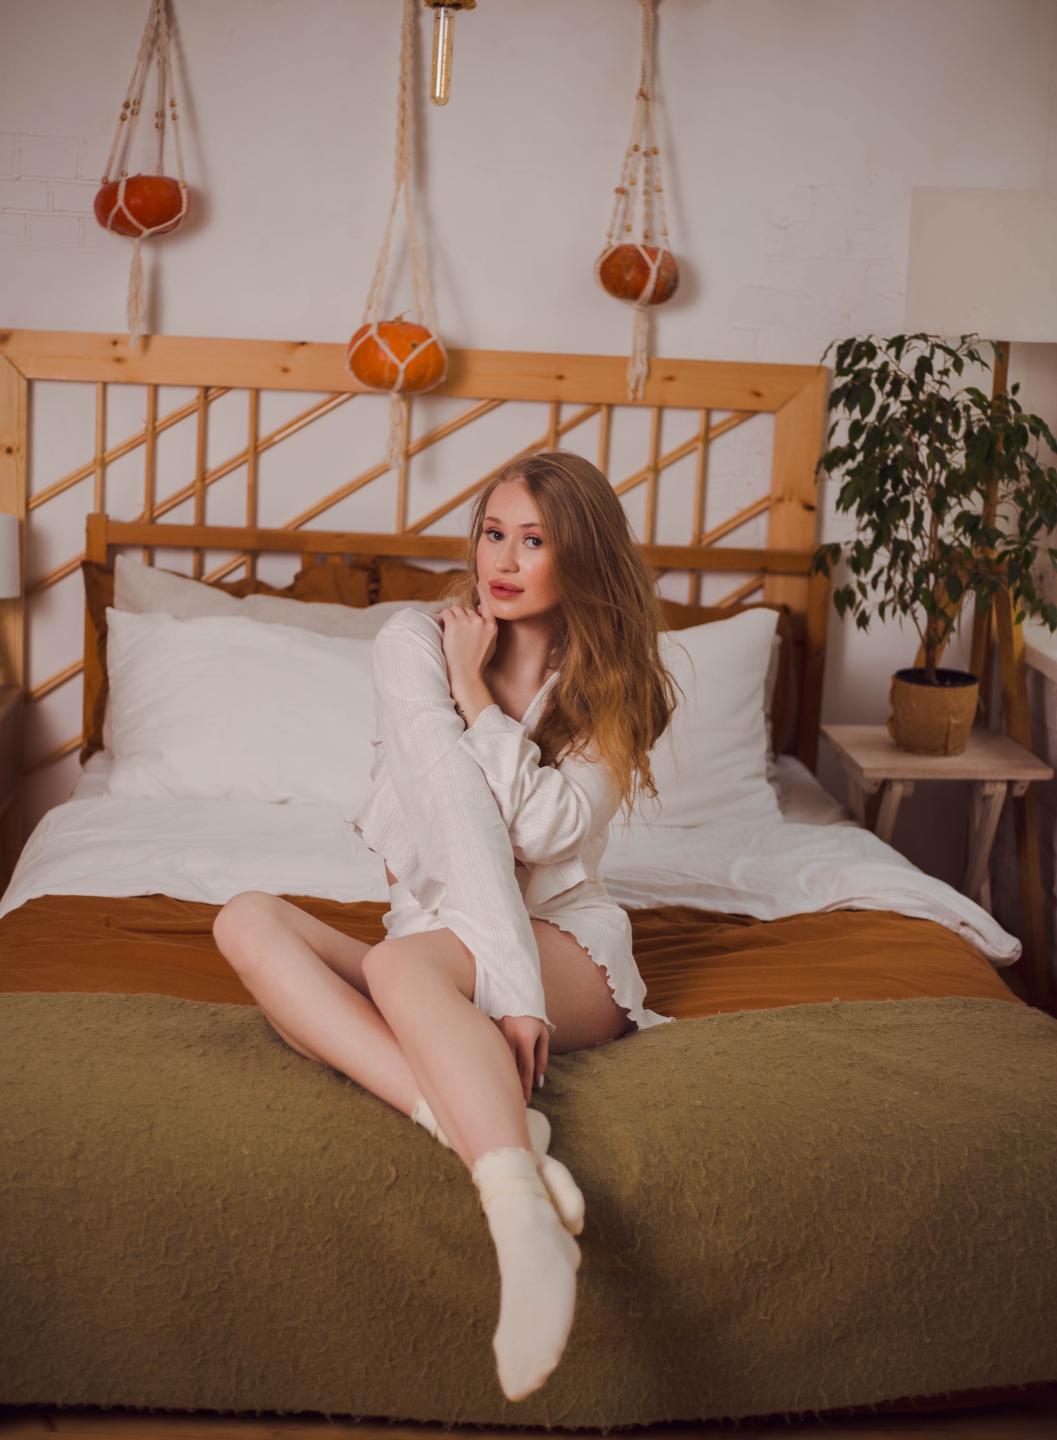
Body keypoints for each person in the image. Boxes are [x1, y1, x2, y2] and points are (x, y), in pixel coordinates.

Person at [212, 450, 679, 1402]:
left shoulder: (616, 686)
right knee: (247, 921)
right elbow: (456, 812)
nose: (501, 560)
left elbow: (545, 832)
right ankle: (504, 1150)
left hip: (564, 948)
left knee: (397, 971)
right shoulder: (411, 642)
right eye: (492, 532)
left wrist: (476, 699)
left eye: (534, 540)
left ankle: (516, 1220)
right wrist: (504, 985)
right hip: (447, 952)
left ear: (581, 556)